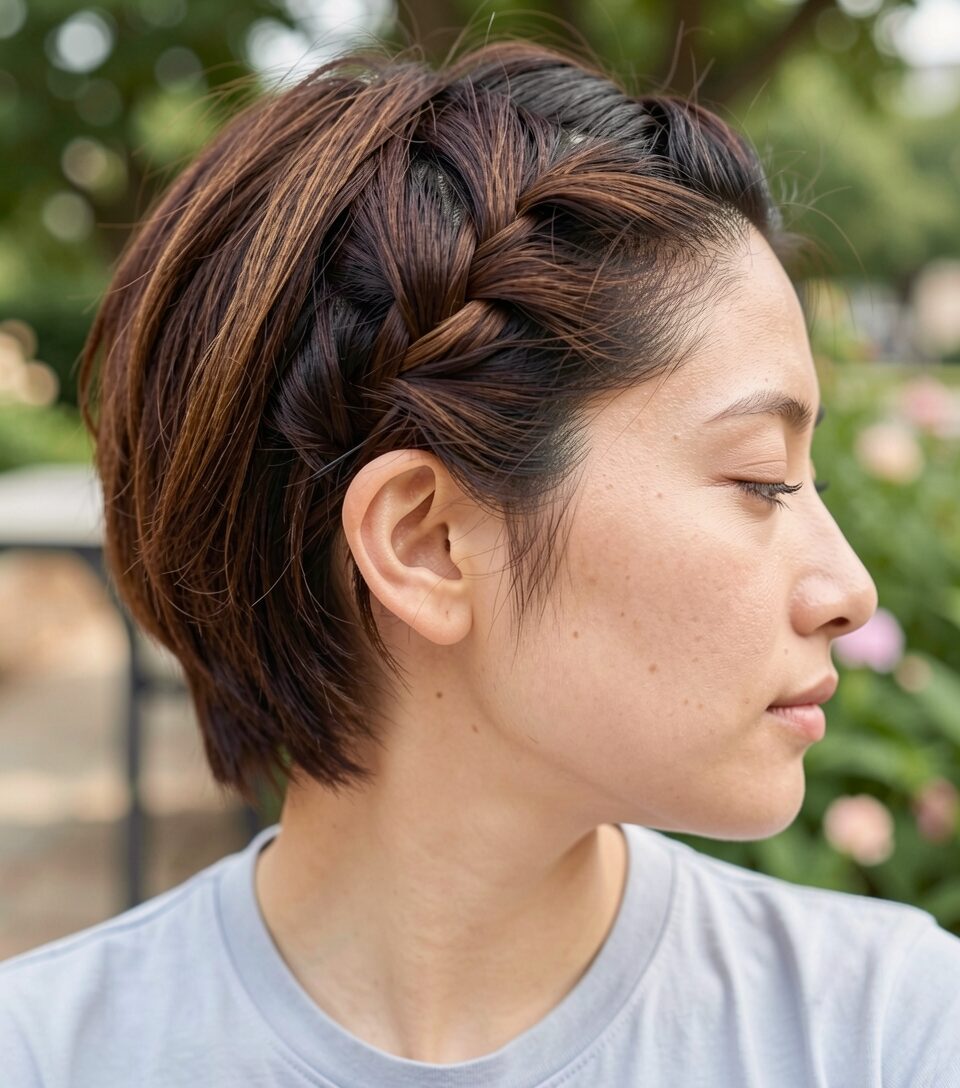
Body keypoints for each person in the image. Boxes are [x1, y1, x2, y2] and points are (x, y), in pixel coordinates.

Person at [1, 36, 958, 1088]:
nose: (848, 589)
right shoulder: (45, 1056)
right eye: (761, 479)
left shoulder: (889, 1032)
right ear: (428, 541)